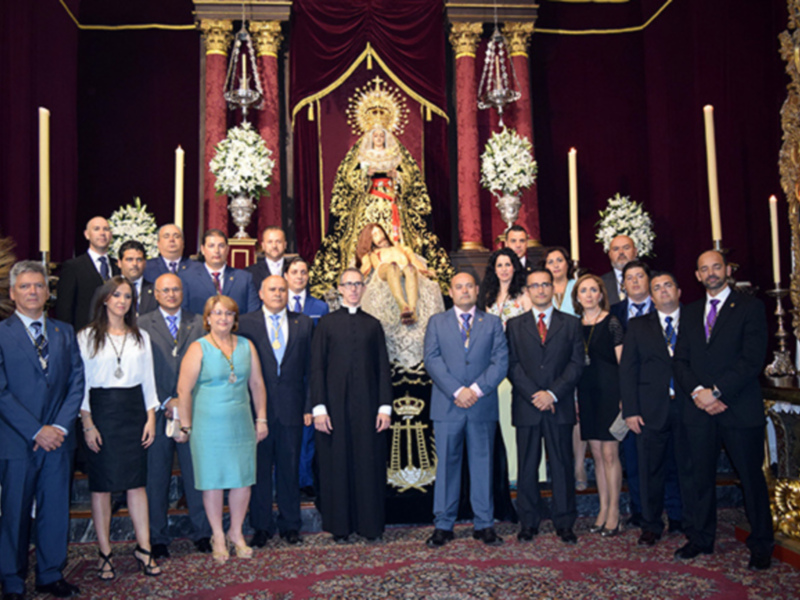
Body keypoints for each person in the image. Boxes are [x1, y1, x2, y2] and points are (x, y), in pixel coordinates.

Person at [674, 250, 773, 570]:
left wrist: (716, 391)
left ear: (728, 270)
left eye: (717, 266)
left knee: (751, 479)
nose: (712, 273)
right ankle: (701, 538)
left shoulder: (750, 307)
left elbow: (752, 359)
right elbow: (681, 361)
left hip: (738, 407)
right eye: (705, 269)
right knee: (699, 478)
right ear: (697, 276)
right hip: (699, 410)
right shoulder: (689, 313)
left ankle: (761, 543)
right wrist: (698, 394)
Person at [0, 261, 84, 599]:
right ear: (12, 293)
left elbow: (76, 382)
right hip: (17, 440)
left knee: (54, 510)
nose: (33, 291)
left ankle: (51, 574)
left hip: (58, 442)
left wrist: (59, 426)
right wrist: (37, 431)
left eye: (38, 286)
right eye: (25, 286)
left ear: (48, 292)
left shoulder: (65, 332)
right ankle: (11, 579)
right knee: (15, 513)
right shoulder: (2, 333)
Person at [78, 276, 162, 579]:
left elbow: (148, 381)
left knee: (136, 484)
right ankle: (105, 553)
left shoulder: (141, 337)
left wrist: (151, 417)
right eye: (116, 295)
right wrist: (87, 423)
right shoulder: (86, 336)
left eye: (127, 296)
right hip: (100, 413)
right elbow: (82, 384)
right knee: (101, 487)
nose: (122, 301)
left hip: (133, 412)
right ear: (104, 299)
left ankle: (144, 548)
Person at [309, 124, 453, 300]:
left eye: (381, 136)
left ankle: (402, 277)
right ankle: (365, 278)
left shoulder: (396, 154)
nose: (378, 139)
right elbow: (348, 179)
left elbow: (411, 179)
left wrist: (397, 177)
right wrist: (365, 175)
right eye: (375, 136)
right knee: (368, 237)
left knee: (398, 240)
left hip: (391, 203)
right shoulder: (361, 154)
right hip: (368, 204)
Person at [176, 295, 268, 564]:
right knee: (212, 481)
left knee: (242, 478)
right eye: (217, 313)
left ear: (235, 318)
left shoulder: (247, 346)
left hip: (240, 421)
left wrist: (261, 418)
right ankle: (217, 534)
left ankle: (236, 532)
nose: (223, 318)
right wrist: (186, 424)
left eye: (228, 314)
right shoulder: (198, 348)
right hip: (207, 425)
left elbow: (258, 385)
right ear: (207, 318)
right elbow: (184, 389)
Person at [424, 272, 508, 548]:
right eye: (458, 287)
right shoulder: (437, 322)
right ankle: (443, 525)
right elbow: (432, 359)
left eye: (468, 286)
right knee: (447, 466)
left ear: (476, 289)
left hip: (481, 405)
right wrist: (458, 391)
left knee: (483, 465)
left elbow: (500, 362)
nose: (464, 291)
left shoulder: (492, 323)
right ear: (451, 291)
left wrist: (476, 390)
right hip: (448, 405)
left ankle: (484, 523)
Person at [311, 268, 392, 542]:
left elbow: (383, 368)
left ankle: (370, 525)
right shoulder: (326, 324)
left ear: (363, 288)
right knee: (337, 463)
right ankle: (340, 526)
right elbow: (317, 369)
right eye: (349, 284)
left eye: (358, 284)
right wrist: (319, 408)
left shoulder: (373, 325)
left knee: (368, 462)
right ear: (340, 288)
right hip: (333, 408)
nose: (354, 289)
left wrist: (385, 407)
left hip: (370, 407)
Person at [506, 268, 584, 544]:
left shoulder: (571, 324)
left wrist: (552, 393)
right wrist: (535, 395)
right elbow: (512, 366)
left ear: (553, 289)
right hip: (527, 406)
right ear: (526, 291)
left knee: (562, 465)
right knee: (527, 466)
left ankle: (565, 522)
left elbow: (576, 364)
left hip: (558, 405)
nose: (540, 290)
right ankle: (529, 521)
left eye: (545, 285)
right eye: (534, 286)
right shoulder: (514, 326)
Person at [138, 273, 211, 559]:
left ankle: (202, 532)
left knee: (197, 475)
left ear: (183, 291)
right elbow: (141, 369)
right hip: (156, 412)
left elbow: (206, 363)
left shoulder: (198, 321)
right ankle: (157, 537)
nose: (171, 294)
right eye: (164, 290)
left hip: (191, 410)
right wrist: (167, 399)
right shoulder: (142, 324)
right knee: (156, 478)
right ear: (155, 294)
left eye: (175, 289)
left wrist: (183, 399)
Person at [239, 276, 313, 547]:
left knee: (289, 469)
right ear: (261, 292)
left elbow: (310, 369)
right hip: (256, 411)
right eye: (272, 289)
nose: (278, 293)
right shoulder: (246, 323)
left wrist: (308, 405)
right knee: (258, 470)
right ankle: (261, 526)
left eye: (282, 289)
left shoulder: (302, 322)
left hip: (292, 409)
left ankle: (291, 525)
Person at [620, 272, 692, 547]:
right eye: (657, 288)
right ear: (651, 296)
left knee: (685, 466)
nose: (663, 291)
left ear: (679, 291)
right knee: (650, 469)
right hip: (650, 409)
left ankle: (681, 517)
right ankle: (650, 524)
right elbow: (628, 370)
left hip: (688, 407)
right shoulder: (638, 326)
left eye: (668, 286)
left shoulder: (695, 321)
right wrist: (630, 410)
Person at [572, 274, 624, 537]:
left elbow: (622, 364)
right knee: (596, 453)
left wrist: (625, 397)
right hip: (587, 393)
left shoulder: (612, 322)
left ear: (602, 295)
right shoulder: (574, 325)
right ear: (577, 296)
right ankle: (602, 509)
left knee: (609, 455)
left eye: (594, 290)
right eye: (584, 290)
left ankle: (615, 511)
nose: (589, 294)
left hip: (610, 393)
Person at [479, 248, 531, 484]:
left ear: (515, 267)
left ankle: (524, 473)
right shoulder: (487, 295)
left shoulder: (524, 293)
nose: (504, 269)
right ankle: (506, 472)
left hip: (519, 358)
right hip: (493, 362)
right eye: (499, 265)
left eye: (508, 264)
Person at [541, 246, 585, 491]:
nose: (556, 265)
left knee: (577, 412)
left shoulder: (577, 287)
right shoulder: (541, 289)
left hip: (574, 358)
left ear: (568, 264)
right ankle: (560, 463)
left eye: (560, 260)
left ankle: (579, 465)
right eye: (550, 261)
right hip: (549, 361)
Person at [283, 256, 328, 499]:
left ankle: (305, 480)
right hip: (285, 377)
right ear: (286, 276)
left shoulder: (320, 308)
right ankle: (287, 479)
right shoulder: (278, 305)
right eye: (295, 272)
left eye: (303, 272)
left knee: (308, 431)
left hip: (311, 374)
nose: (299, 276)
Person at [356, 223, 434, 325]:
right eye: (375, 235)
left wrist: (425, 271)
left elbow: (415, 262)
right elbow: (363, 270)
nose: (380, 236)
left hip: (404, 269)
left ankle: (412, 310)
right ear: (370, 240)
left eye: (380, 232)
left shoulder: (403, 248)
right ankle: (402, 305)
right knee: (392, 267)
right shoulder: (371, 254)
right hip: (384, 270)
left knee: (410, 269)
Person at [56, 216, 119, 331]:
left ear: (110, 235)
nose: (102, 233)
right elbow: (64, 309)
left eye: (106, 229)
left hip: (114, 334)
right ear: (87, 234)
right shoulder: (73, 267)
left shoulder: (118, 266)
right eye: (96, 229)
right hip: (84, 334)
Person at [180, 229, 260, 316]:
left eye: (221, 246)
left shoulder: (244, 278)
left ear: (227, 249)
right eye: (211, 246)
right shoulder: (187, 278)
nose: (216, 251)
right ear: (203, 249)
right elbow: (183, 313)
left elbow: (253, 315)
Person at [247, 226, 289, 292]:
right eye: (270, 242)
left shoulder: (295, 271)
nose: (274, 246)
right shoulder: (250, 273)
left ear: (285, 245)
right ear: (263, 246)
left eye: (278, 242)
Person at [600, 234, 637, 306]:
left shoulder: (651, 279)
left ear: (635, 252)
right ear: (610, 254)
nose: (621, 252)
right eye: (616, 249)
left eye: (626, 248)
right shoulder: (600, 283)